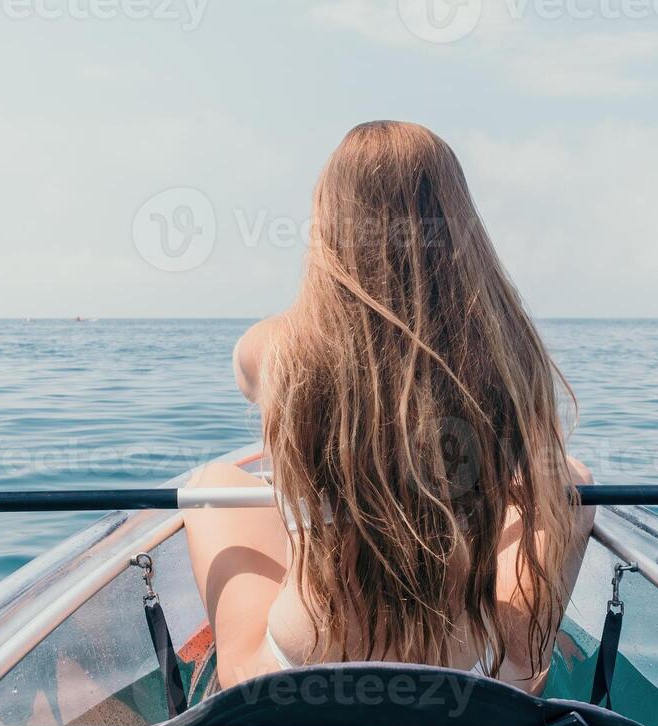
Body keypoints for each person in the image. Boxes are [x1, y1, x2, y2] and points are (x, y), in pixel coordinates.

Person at [184, 120, 595, 693]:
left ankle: (237, 677)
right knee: (567, 479)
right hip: (467, 664)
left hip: (301, 662)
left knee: (213, 479)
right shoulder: (509, 352)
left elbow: (243, 372)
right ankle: (523, 671)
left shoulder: (283, 350)